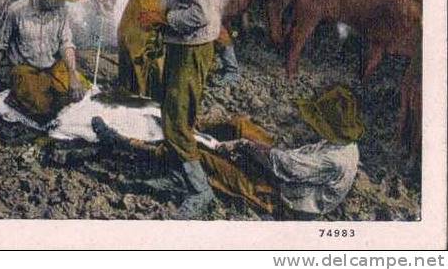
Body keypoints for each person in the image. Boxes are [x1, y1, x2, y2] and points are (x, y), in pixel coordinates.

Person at [93, 85, 364, 218]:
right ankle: (190, 126)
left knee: (201, 156)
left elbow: (288, 166)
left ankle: (131, 144)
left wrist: (245, 148)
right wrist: (247, 144)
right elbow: (290, 160)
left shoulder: (335, 158)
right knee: (239, 125)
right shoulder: (341, 144)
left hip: (282, 197)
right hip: (287, 175)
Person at [135, 0, 222, 218]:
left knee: (177, 119)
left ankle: (200, 190)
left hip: (193, 45)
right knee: (172, 110)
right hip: (179, 41)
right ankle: (176, 175)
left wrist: (162, 18)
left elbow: (201, 14)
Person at [0, 0, 88, 123]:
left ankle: (45, 92)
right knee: (42, 107)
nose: (63, 2)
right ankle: (18, 98)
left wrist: (72, 74)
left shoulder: (61, 11)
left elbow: (66, 44)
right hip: (25, 69)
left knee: (79, 91)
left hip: (51, 67)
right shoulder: (17, 11)